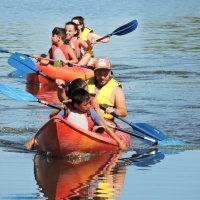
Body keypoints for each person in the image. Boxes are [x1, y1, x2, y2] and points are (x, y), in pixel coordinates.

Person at [57, 88, 126, 150]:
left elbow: (105, 126)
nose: (88, 106)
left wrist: (119, 141)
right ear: (75, 105)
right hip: (69, 138)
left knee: (99, 127)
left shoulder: (90, 111)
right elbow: (56, 120)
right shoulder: (66, 109)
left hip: (85, 139)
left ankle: (96, 130)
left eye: (89, 103)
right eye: (85, 105)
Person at [87, 57, 127, 125]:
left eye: (105, 74)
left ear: (110, 73)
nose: (102, 77)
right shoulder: (86, 84)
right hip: (87, 118)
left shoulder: (117, 90)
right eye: (99, 74)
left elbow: (123, 112)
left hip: (107, 121)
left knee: (102, 128)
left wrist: (114, 111)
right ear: (94, 72)